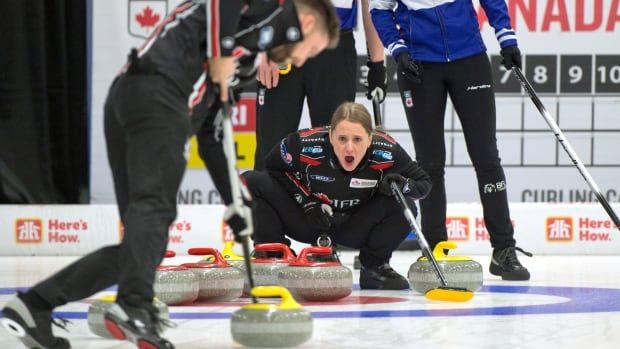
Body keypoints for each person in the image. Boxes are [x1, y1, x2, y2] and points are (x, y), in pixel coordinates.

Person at [0, 1, 340, 348]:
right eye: (309, 51)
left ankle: (32, 307)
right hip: (159, 94)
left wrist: (236, 202)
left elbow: (211, 134)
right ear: (308, 23)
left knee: (140, 246)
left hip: (130, 99)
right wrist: (222, 52)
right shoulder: (273, 8)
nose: (299, 62)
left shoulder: (247, 60)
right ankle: (134, 306)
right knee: (155, 212)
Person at [369, 0, 532, 281]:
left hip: (469, 58)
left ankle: (504, 249)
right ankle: (434, 248)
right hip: (419, 65)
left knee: (487, 157)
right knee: (429, 163)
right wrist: (398, 49)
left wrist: (506, 37)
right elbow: (379, 9)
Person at [243, 102, 432, 289]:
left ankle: (374, 267)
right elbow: (273, 168)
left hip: (355, 225)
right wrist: (306, 201)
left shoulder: (387, 151)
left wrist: (403, 185)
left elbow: (424, 183)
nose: (349, 148)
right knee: (250, 181)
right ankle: (275, 256)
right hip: (310, 219)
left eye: (357, 139)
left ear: (370, 138)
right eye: (342, 139)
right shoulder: (302, 143)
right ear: (331, 136)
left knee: (403, 203)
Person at [253, 0, 388, 171]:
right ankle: (267, 197)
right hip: (282, 40)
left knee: (337, 149)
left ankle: (333, 197)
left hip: (335, 46)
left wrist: (377, 64)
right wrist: (265, 47)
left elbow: (371, 4)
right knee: (271, 150)